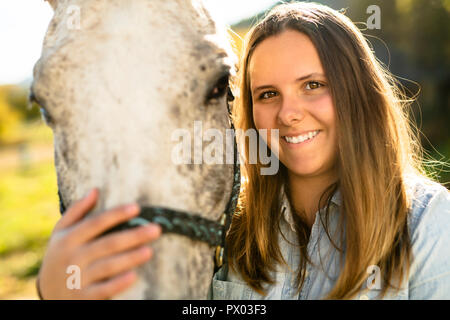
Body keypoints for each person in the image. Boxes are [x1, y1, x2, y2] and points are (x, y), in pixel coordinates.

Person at [37, 2, 450, 300]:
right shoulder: (227, 229)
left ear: (356, 92)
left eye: (313, 85)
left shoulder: (427, 222)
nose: (288, 114)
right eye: (267, 94)